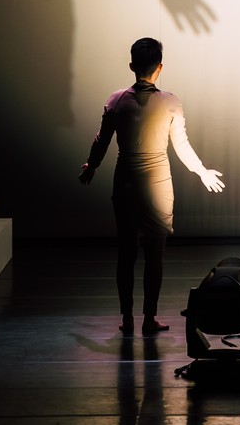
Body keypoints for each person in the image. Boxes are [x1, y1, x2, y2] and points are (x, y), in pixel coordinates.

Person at [81, 37, 224, 335]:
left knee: (126, 253)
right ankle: (148, 318)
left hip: (126, 184)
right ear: (159, 68)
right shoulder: (170, 101)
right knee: (154, 256)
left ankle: (128, 318)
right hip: (158, 186)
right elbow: (181, 145)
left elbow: (101, 140)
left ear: (132, 66)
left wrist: (91, 166)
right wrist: (201, 171)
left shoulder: (116, 100)